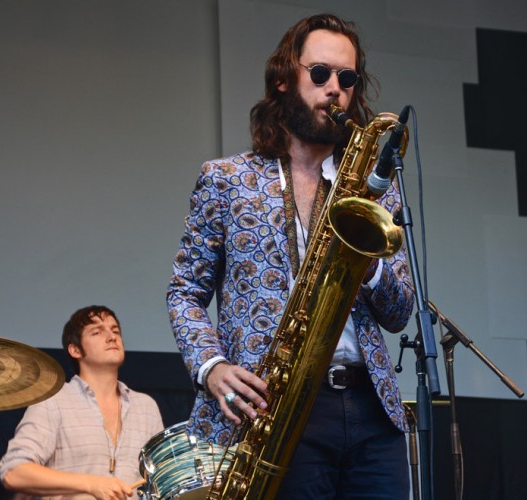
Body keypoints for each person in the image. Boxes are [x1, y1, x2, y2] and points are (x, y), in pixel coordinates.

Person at [166, 13, 414, 498]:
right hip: (274, 407)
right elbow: (184, 292)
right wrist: (211, 366)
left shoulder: (376, 187)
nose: (334, 88)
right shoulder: (226, 179)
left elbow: (399, 311)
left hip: (370, 410)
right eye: (319, 73)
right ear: (283, 79)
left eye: (347, 78)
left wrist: (365, 262)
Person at [0, 305, 164, 500]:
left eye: (115, 331)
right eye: (97, 332)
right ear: (75, 349)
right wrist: (91, 484)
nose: (112, 337)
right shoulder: (53, 401)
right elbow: (14, 472)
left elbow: (162, 480)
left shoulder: (146, 407)